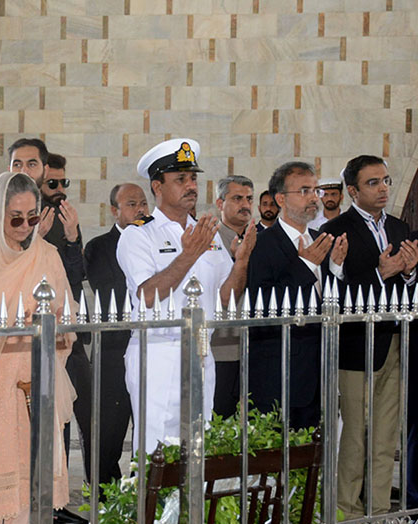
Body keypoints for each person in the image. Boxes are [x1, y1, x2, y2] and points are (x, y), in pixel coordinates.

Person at [0, 171, 77, 524]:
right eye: (15, 218)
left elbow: (70, 321)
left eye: (32, 217)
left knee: (32, 488)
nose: (25, 227)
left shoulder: (48, 255)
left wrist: (48, 325)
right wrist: (7, 329)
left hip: (36, 385)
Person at [116, 138, 255, 450]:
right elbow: (146, 296)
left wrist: (241, 262)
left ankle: (191, 501)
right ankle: (148, 500)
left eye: (193, 178)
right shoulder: (139, 234)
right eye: (180, 179)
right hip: (158, 352)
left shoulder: (210, 234)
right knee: (156, 448)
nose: (191, 185)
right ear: (157, 187)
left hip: (202, 350)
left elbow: (225, 299)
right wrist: (188, 256)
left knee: (198, 442)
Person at [321, 155, 418, 518]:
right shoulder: (336, 230)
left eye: (387, 181)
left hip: (393, 342)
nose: (384, 189)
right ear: (352, 191)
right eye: (374, 183)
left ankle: (379, 514)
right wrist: (380, 274)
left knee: (384, 436)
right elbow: (333, 295)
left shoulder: (398, 227)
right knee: (354, 436)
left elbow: (408, 287)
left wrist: (408, 274)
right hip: (355, 348)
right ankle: (346, 513)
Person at [8, 143, 89, 524]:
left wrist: (70, 239)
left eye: (33, 163)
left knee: (58, 419)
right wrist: (27, 241)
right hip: (10, 339)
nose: (26, 168)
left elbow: (74, 278)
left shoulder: (59, 214)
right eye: (17, 162)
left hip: (56, 333)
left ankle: (54, 501)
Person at [246, 162, 347, 429]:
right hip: (278, 375)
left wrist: (335, 268)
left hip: (319, 373)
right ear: (281, 199)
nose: (315, 197)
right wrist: (305, 266)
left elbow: (331, 304)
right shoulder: (261, 244)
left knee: (313, 461)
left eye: (316, 190)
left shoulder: (321, 239)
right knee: (278, 460)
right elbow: (263, 306)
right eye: (304, 190)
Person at [84, 183, 148, 487]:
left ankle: (142, 487)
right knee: (109, 428)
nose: (141, 210)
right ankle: (106, 494)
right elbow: (111, 290)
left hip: (149, 347)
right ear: (115, 210)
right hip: (113, 349)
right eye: (132, 204)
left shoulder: (155, 240)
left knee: (146, 426)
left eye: (143, 203)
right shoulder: (98, 246)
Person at [211, 175, 255, 418]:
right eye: (237, 198)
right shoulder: (209, 239)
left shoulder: (261, 237)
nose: (245, 204)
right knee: (221, 422)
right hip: (222, 349)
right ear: (220, 204)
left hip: (255, 348)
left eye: (249, 198)